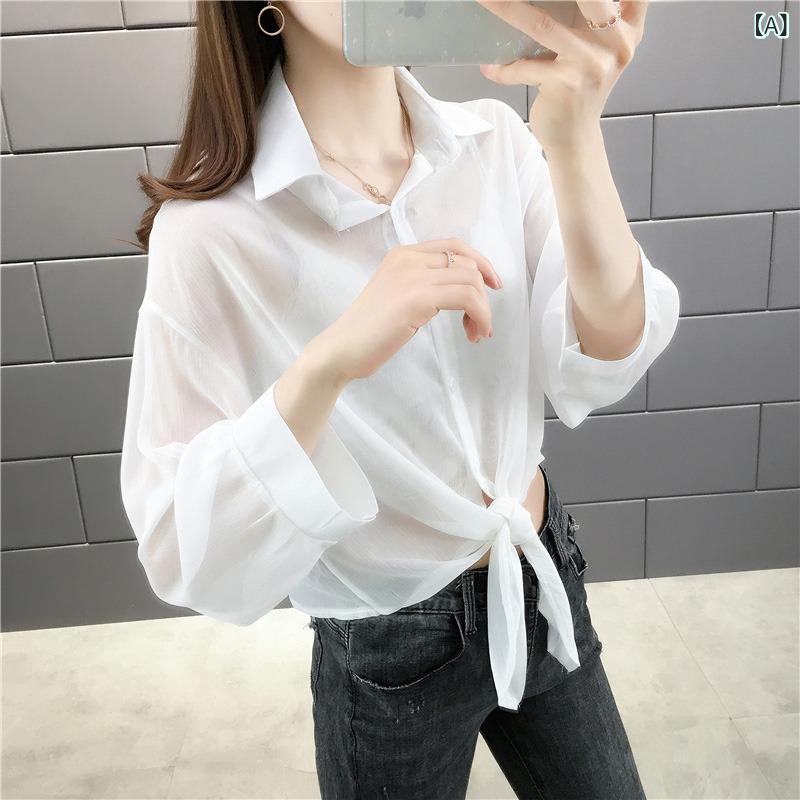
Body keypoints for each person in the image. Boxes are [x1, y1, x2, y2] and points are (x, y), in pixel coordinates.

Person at [120, 1, 678, 797]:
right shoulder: (209, 232)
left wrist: (575, 134)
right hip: (390, 646)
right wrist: (328, 365)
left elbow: (611, 347)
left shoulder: (495, 142)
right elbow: (178, 541)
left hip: (539, 566)